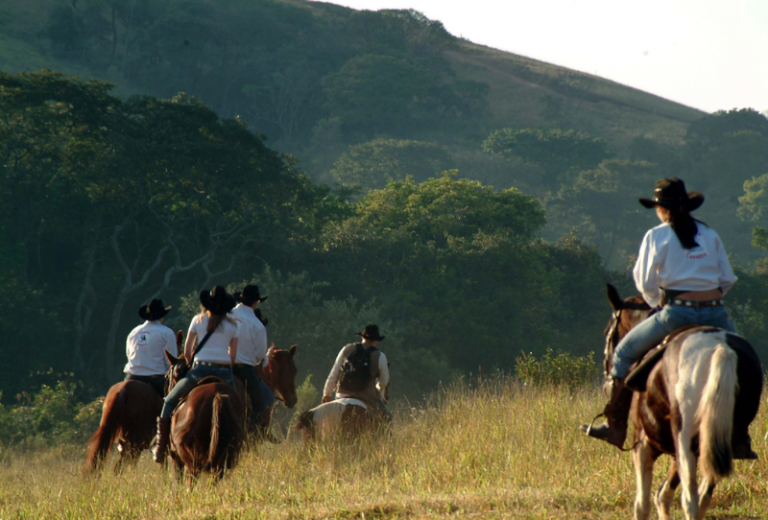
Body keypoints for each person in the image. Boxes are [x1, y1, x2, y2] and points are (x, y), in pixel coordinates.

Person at [580, 178, 754, 458]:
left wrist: (657, 305)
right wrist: (708, 297)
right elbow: (727, 279)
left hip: (677, 311)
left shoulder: (656, 236)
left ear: (661, 209)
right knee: (745, 362)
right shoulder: (709, 235)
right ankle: (740, 436)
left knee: (623, 354)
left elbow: (644, 282)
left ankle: (614, 427)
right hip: (715, 311)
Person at [153, 285, 239, 464]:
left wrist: (192, 363)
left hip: (200, 369)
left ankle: (161, 446)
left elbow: (188, 349)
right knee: (241, 407)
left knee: (169, 401)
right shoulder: (233, 325)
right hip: (225, 371)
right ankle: (240, 445)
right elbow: (232, 357)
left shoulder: (197, 320)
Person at [231, 285, 276, 441]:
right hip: (243, 371)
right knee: (261, 403)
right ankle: (253, 438)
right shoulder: (257, 325)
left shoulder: (226, 315)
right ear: (256, 302)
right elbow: (259, 357)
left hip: (221, 367)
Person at [322, 324, 391, 423]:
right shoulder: (380, 356)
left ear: (362, 337)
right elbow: (384, 382)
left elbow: (333, 374)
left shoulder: (346, 349)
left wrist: (327, 393)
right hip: (367, 398)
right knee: (388, 418)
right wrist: (377, 391)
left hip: (341, 395)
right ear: (376, 340)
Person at [123, 299, 177, 397]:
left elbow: (129, 354)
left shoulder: (134, 332)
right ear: (162, 316)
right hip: (156, 378)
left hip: (131, 376)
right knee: (172, 403)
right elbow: (171, 362)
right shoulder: (167, 333)